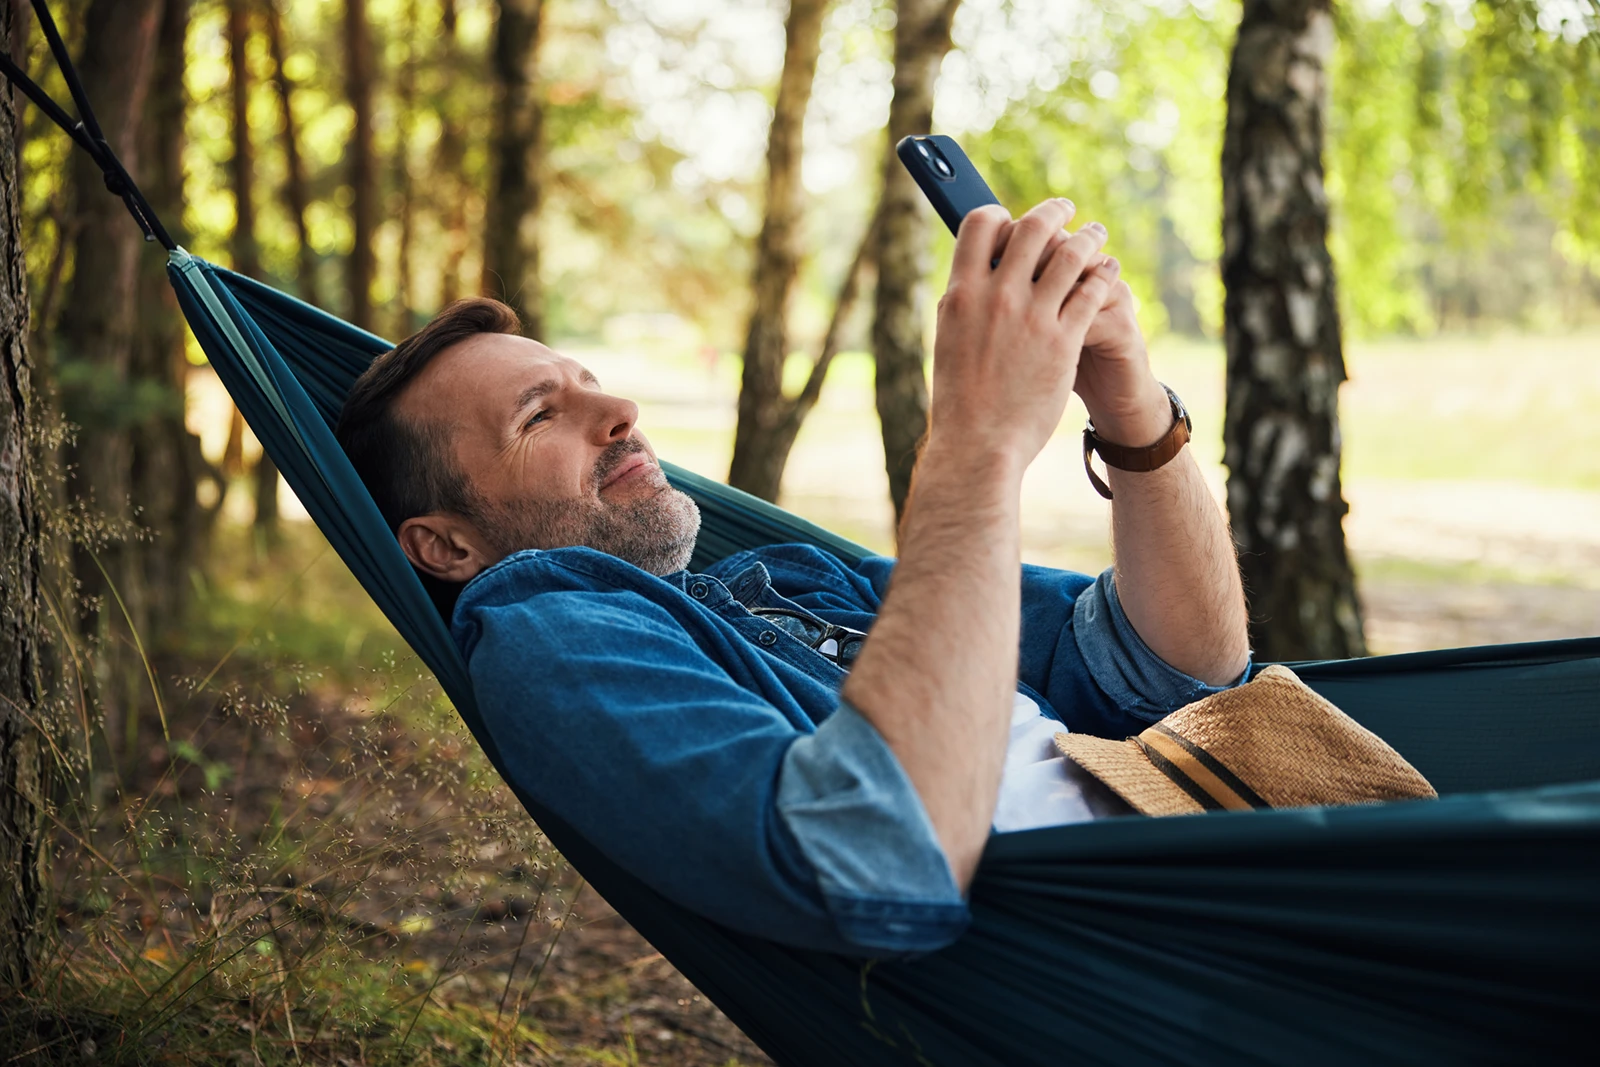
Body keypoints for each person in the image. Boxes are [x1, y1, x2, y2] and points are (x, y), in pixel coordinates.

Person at [336, 200, 1255, 956]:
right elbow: (874, 865)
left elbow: (1176, 672)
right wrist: (976, 443)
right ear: (447, 547)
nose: (621, 410)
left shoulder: (787, 579)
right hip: (1183, 951)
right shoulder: (548, 632)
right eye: (540, 417)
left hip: (1254, 866)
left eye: (591, 383)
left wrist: (1135, 412)